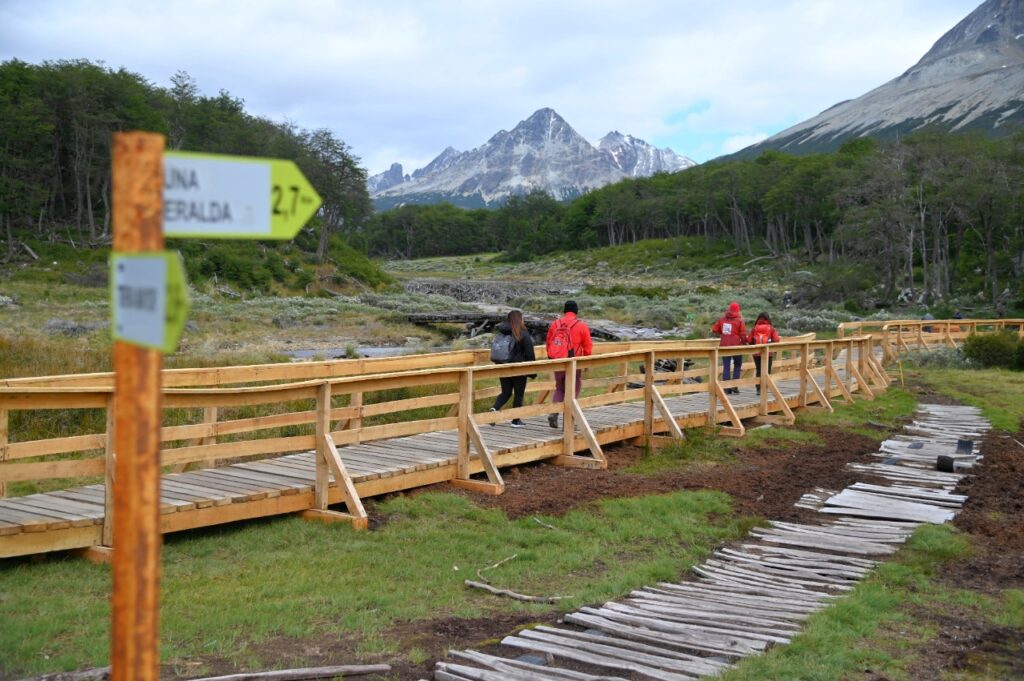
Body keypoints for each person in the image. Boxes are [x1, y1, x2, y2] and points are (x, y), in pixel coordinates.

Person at [545, 300, 593, 428]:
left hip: (558, 362)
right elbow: (587, 347)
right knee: (573, 390)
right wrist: (586, 362)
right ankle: (569, 422)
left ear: (564, 311)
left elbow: (549, 343)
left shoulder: (555, 324)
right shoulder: (581, 325)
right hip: (573, 363)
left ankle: (554, 413)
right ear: (576, 311)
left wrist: (552, 359)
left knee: (560, 388)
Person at [489, 310, 536, 427]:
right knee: (519, 393)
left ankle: (494, 409)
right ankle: (516, 420)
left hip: (503, 366)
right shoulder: (522, 333)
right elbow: (530, 354)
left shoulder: (502, 332)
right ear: (520, 319)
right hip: (518, 368)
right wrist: (532, 371)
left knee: (506, 392)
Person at [712, 301, 746, 394]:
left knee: (726, 366)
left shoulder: (722, 319)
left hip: (724, 346)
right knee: (737, 365)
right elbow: (743, 334)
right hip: (736, 346)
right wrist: (744, 343)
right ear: (738, 310)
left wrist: (723, 333)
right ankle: (735, 386)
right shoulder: (739, 321)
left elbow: (714, 329)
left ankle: (726, 388)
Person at [746, 312, 780, 395]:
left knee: (759, 370)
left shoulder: (755, 328)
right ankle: (765, 388)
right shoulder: (771, 328)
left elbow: (749, 340)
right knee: (767, 371)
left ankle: (758, 389)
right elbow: (776, 339)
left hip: (756, 352)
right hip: (768, 353)